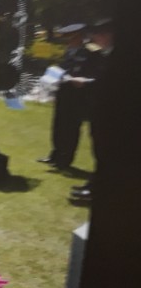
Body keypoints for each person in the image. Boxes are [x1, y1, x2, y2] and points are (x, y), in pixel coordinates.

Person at [69, 19, 115, 204]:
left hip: (112, 113)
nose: (95, 38)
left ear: (108, 35)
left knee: (106, 153)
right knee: (99, 151)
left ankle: (98, 190)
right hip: (100, 110)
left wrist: (86, 83)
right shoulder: (105, 54)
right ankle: (94, 185)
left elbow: (109, 83)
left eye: (98, 35)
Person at [37, 23, 91, 169]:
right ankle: (55, 155)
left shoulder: (87, 54)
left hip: (77, 96)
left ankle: (65, 159)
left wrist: (73, 78)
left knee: (71, 128)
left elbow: (86, 74)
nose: (68, 41)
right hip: (63, 93)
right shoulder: (68, 52)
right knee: (58, 125)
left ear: (79, 37)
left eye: (71, 38)